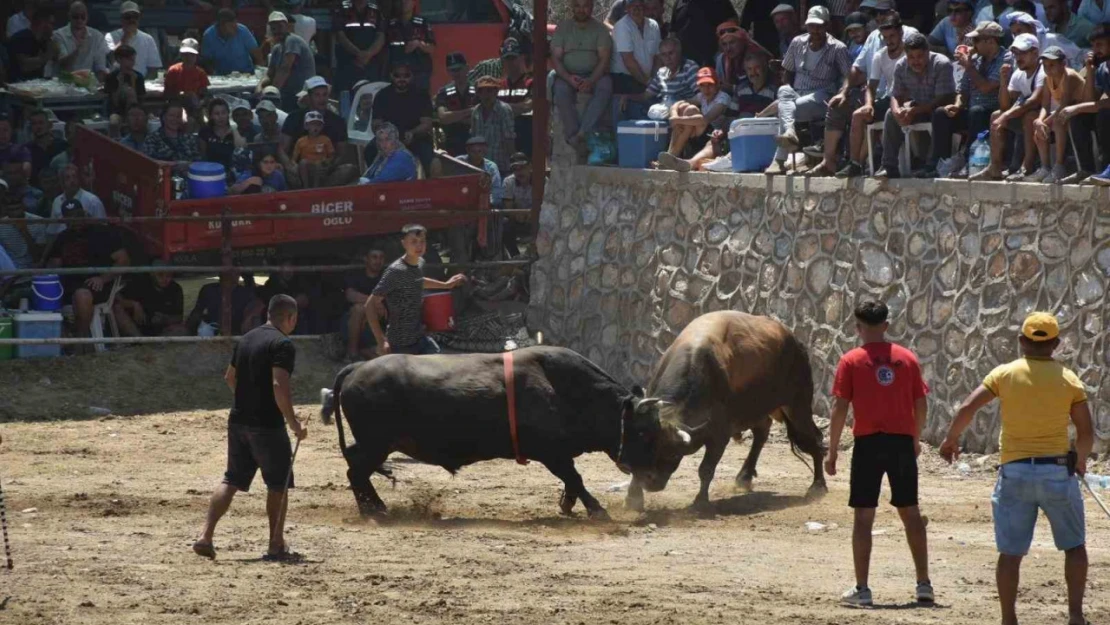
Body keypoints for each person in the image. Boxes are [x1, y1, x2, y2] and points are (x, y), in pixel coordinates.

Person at [940, 312, 1093, 625]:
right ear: (1056, 344)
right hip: (1056, 473)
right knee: (1074, 546)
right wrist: (1080, 461)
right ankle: (1075, 616)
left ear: (1022, 341)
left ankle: (1009, 620)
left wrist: (950, 440)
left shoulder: (1004, 374)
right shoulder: (1069, 380)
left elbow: (968, 407)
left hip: (1015, 472)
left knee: (1011, 553)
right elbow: (1086, 431)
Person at [825, 300, 933, 608]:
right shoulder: (907, 359)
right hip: (900, 442)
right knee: (910, 512)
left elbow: (840, 408)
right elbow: (921, 404)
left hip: (868, 444)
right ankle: (923, 584)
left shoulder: (850, 361)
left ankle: (863, 588)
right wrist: (915, 438)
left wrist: (832, 451)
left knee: (863, 516)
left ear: (858, 328)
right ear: (886, 325)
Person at [193, 294, 308, 562]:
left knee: (231, 480)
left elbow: (229, 377)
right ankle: (275, 545)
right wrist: (293, 422)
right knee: (277, 485)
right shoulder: (283, 344)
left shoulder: (246, 338)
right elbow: (279, 386)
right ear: (290, 317)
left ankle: (205, 536)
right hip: (267, 426)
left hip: (238, 420)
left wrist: (247, 399)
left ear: (269, 313)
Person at [763, 6, 851, 175]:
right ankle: (789, 132)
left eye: (819, 26)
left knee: (786, 108)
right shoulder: (797, 43)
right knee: (783, 92)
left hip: (822, 95)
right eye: (812, 26)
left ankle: (779, 160)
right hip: (797, 93)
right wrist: (787, 85)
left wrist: (842, 93)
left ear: (827, 25)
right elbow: (787, 71)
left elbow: (849, 75)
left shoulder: (838, 48)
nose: (815, 30)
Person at [922, 20, 1009, 178]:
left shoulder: (1005, 57)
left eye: (976, 40)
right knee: (941, 114)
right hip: (972, 110)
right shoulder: (975, 59)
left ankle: (968, 162)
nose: (972, 44)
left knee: (977, 112)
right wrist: (957, 105)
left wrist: (969, 66)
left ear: (990, 41)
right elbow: (962, 90)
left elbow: (986, 87)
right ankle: (937, 164)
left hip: (993, 111)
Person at [366, 224, 467, 356]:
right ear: (404, 244)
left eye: (422, 241)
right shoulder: (395, 271)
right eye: (414, 242)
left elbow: (418, 280)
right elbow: (369, 306)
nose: (419, 246)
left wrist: (446, 285)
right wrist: (381, 341)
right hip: (400, 344)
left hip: (419, 338)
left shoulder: (420, 262)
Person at [44, 199, 130, 341]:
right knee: (42, 295)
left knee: (82, 295)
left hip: (96, 284)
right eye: (71, 217)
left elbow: (124, 261)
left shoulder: (102, 233)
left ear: (85, 214)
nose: (76, 220)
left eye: (78, 215)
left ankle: (81, 340)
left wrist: (103, 278)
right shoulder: (62, 238)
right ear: (64, 220)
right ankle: (61, 341)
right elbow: (53, 266)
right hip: (68, 284)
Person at [874, 33, 956, 179]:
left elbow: (943, 98)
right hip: (918, 106)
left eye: (919, 56)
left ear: (927, 52)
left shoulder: (941, 64)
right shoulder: (901, 65)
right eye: (911, 57)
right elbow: (895, 94)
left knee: (939, 113)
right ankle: (889, 166)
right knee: (890, 114)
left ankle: (931, 166)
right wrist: (897, 110)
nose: (915, 61)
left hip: (940, 108)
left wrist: (914, 110)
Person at [833, 16, 907, 178]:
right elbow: (871, 86)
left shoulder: (910, 53)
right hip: (889, 99)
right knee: (858, 115)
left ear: (901, 33)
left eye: (892, 36)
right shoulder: (879, 56)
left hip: (908, 100)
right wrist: (869, 104)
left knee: (891, 114)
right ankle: (855, 164)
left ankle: (889, 164)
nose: (889, 41)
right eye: (885, 38)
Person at [970, 34, 1046, 181]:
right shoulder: (1018, 73)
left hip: (1047, 117)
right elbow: (1005, 105)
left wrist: (1006, 116)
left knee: (1030, 116)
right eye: (1016, 53)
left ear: (1035, 53)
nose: (1018, 57)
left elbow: (1034, 101)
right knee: (996, 115)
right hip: (1026, 118)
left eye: (1023, 53)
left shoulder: (1043, 71)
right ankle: (995, 167)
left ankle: (1027, 166)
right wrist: (1003, 81)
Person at [551, 0, 614, 152]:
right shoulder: (563, 28)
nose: (581, 10)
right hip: (568, 74)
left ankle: (582, 133)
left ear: (591, 8)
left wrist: (591, 80)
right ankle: (573, 135)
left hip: (594, 74)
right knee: (560, 89)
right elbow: (556, 58)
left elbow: (604, 60)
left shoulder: (600, 29)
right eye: (577, 6)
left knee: (606, 85)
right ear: (572, 8)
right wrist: (568, 78)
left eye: (585, 6)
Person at [280, 76, 357, 187]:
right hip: (299, 169)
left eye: (325, 95)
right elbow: (282, 149)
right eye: (317, 95)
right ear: (309, 97)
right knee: (281, 172)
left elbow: (341, 153)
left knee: (349, 170)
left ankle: (319, 193)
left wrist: (330, 166)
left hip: (325, 170)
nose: (322, 99)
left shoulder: (337, 121)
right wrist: (290, 166)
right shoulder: (294, 117)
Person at [1028, 45, 1088, 183]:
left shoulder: (1069, 76)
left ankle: (1059, 166)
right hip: (1068, 111)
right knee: (1037, 126)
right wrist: (1040, 120)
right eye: (1045, 65)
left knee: (1057, 122)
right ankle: (1045, 167)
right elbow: (1045, 105)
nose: (1048, 68)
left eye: (1052, 65)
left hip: (1082, 111)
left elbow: (1065, 103)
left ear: (1063, 63)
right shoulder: (1046, 79)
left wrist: (1046, 121)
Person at [368, 62, 436, 175]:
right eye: (397, 75)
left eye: (406, 75)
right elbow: (375, 124)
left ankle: (430, 189)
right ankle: (376, 183)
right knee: (369, 151)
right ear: (391, 76)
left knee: (431, 160)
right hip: (388, 138)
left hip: (416, 137)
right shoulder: (382, 95)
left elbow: (427, 124)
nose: (402, 79)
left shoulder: (421, 95)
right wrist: (388, 138)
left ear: (412, 76)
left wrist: (413, 133)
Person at [659, 66, 729, 161]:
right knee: (684, 108)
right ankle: (670, 155)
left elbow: (705, 120)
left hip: (716, 135)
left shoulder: (723, 99)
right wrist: (675, 115)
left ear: (717, 85)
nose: (706, 89)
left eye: (710, 84)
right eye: (702, 85)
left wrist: (677, 120)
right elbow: (678, 104)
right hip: (700, 133)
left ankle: (671, 155)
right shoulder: (701, 96)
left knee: (691, 110)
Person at [610, 0, 662, 117]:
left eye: (639, 5)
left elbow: (658, 57)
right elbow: (629, 61)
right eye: (632, 6)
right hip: (624, 78)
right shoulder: (621, 26)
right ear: (626, 9)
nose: (636, 9)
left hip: (647, 79)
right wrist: (648, 83)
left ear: (645, 7)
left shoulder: (654, 25)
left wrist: (654, 80)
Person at [1073, 25, 1110, 185]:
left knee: (1104, 114)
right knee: (1079, 118)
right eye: (1093, 46)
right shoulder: (1102, 68)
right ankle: (1087, 169)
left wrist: (1076, 107)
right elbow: (1090, 99)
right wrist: (1090, 71)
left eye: (1100, 45)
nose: (1095, 50)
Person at [259, 12, 316, 112]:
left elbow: (285, 69)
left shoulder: (292, 40)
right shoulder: (277, 48)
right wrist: (260, 87)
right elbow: (269, 74)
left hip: (299, 96)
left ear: (286, 26)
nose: (277, 31)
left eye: (280, 26)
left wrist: (273, 94)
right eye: (273, 28)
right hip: (286, 95)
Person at [113, 262, 186, 337]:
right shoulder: (141, 282)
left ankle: (158, 340)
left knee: (183, 330)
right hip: (136, 325)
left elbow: (179, 317)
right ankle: (140, 339)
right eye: (160, 275)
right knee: (118, 309)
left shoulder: (176, 289)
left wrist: (165, 319)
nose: (165, 279)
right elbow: (117, 297)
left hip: (161, 328)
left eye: (169, 276)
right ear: (152, 274)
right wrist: (134, 304)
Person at [633, 36, 699, 112]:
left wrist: (678, 104)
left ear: (679, 52)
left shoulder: (689, 67)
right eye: (663, 55)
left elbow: (701, 97)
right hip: (664, 111)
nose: (667, 58)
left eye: (671, 53)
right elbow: (646, 95)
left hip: (684, 112)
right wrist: (628, 97)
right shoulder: (661, 72)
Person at [342, 247, 386, 360]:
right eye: (374, 257)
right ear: (366, 259)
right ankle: (352, 352)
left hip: (377, 323)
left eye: (381, 258)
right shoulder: (356, 275)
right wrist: (374, 302)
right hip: (353, 321)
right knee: (359, 309)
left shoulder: (386, 277)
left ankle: (358, 351)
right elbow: (350, 295)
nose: (378, 261)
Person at [334, 0, 386, 92]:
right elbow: (340, 35)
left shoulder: (376, 9)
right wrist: (358, 54)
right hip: (347, 64)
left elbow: (381, 36)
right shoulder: (341, 9)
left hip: (370, 65)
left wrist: (368, 54)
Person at [385, 0, 436, 92]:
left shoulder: (422, 22)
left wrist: (418, 44)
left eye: (407, 1)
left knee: (420, 102)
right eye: (401, 1)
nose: (404, 3)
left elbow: (431, 47)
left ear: (413, 3)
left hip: (419, 71)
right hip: (397, 73)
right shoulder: (391, 24)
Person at [669, 0, 737, 67]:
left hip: (711, 60)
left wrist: (723, 45)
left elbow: (731, 20)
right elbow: (673, 32)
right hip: (685, 63)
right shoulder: (679, 3)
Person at [435, 52, 478, 158]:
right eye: (452, 70)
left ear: (467, 68)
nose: (456, 73)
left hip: (475, 140)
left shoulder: (478, 89)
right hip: (452, 142)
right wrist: (469, 111)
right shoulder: (443, 92)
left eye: (459, 69)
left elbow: (480, 117)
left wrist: (453, 117)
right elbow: (443, 117)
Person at [51, 2, 108, 81]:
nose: (79, 19)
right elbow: (63, 66)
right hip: (63, 84)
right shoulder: (58, 35)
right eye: (75, 17)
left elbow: (100, 68)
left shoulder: (97, 36)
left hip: (88, 83)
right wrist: (78, 50)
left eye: (83, 17)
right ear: (69, 16)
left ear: (87, 17)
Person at [0, 176, 48, 271]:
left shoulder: (38, 222)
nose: (15, 213)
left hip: (31, 272)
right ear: (6, 209)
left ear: (23, 206)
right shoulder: (1, 225)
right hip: (8, 273)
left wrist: (24, 230)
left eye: (17, 209)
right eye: (12, 210)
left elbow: (38, 257)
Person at [497, 39, 535, 155]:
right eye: (507, 59)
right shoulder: (498, 85)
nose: (510, 62)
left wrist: (500, 108)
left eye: (513, 58)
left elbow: (527, 106)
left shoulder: (531, 82)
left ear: (521, 58)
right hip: (501, 137)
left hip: (525, 134)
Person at [471, 76, 516, 174]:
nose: (485, 94)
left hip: (501, 166)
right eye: (481, 91)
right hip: (481, 167)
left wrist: (513, 164)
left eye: (489, 91)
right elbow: (473, 140)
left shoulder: (504, 109)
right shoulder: (476, 111)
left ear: (496, 92)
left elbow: (510, 139)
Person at [105, 1, 161, 78]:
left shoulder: (148, 39)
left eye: (135, 17)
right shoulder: (110, 36)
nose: (132, 20)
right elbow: (111, 59)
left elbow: (153, 68)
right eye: (128, 17)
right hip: (116, 82)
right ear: (121, 19)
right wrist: (126, 36)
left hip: (140, 81)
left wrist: (141, 83)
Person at [47, 164, 106, 236]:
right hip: (62, 242)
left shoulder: (93, 201)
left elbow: (103, 228)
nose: (72, 181)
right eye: (67, 178)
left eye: (74, 177)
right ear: (62, 182)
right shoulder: (57, 201)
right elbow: (52, 231)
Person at [201, 8, 264, 76]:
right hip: (222, 76)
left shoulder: (243, 31)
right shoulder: (208, 35)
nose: (236, 28)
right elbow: (207, 60)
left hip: (246, 74)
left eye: (235, 24)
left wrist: (259, 74)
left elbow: (257, 54)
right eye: (232, 26)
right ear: (221, 25)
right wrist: (214, 74)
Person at [6, 8, 57, 83]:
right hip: (18, 84)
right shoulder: (20, 38)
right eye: (50, 23)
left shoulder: (45, 41)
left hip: (38, 84)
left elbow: (55, 59)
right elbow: (24, 66)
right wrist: (46, 56)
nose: (52, 27)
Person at [199, 98, 247, 177]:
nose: (220, 117)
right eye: (217, 114)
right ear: (211, 116)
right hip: (211, 172)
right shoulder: (205, 132)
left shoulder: (237, 130)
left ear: (228, 114)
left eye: (223, 113)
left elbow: (241, 149)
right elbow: (203, 156)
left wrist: (234, 130)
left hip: (233, 173)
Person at [501, 152, 536, 258]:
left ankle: (537, 254)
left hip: (537, 219)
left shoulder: (541, 181)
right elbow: (508, 208)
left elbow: (546, 205)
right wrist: (516, 215)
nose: (519, 172)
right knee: (503, 224)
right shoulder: (509, 182)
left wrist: (534, 215)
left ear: (530, 167)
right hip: (517, 219)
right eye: (515, 169)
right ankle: (515, 256)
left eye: (522, 168)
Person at [163, 38, 209, 109]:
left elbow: (205, 95)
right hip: (176, 106)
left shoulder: (201, 73)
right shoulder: (173, 71)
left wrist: (199, 103)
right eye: (186, 55)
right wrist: (181, 95)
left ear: (196, 56)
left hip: (195, 107)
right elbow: (166, 94)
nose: (189, 58)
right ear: (181, 55)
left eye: (192, 55)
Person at [293, 111, 334, 188]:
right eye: (312, 124)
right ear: (306, 126)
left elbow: (331, 156)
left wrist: (327, 162)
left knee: (318, 164)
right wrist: (294, 165)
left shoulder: (325, 140)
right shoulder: (301, 141)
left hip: (321, 168)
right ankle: (305, 187)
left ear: (322, 127)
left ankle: (316, 188)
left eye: (318, 125)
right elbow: (294, 159)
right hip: (306, 169)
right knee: (303, 162)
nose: (315, 127)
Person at [104, 44, 146, 118]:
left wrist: (133, 82)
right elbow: (114, 102)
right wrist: (119, 84)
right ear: (119, 60)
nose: (132, 63)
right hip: (116, 112)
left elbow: (141, 100)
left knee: (130, 92)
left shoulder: (138, 76)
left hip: (136, 111)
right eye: (129, 60)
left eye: (133, 60)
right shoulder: (112, 77)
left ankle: (132, 117)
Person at [461, 135, 503, 208]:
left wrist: (487, 203)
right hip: (461, 202)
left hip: (484, 206)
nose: (477, 154)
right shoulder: (458, 162)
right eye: (473, 151)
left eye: (480, 151)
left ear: (485, 151)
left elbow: (496, 191)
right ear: (467, 150)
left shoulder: (491, 167)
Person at [732, 52, 777, 118]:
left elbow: (780, 106)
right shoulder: (740, 89)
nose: (753, 72)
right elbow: (731, 114)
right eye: (749, 69)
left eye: (757, 67)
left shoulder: (774, 89)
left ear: (764, 68)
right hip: (742, 127)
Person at [0, 115, 32, 179]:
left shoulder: (21, 150)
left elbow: (26, 171)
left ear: (11, 131)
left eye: (5, 130)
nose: (2, 133)